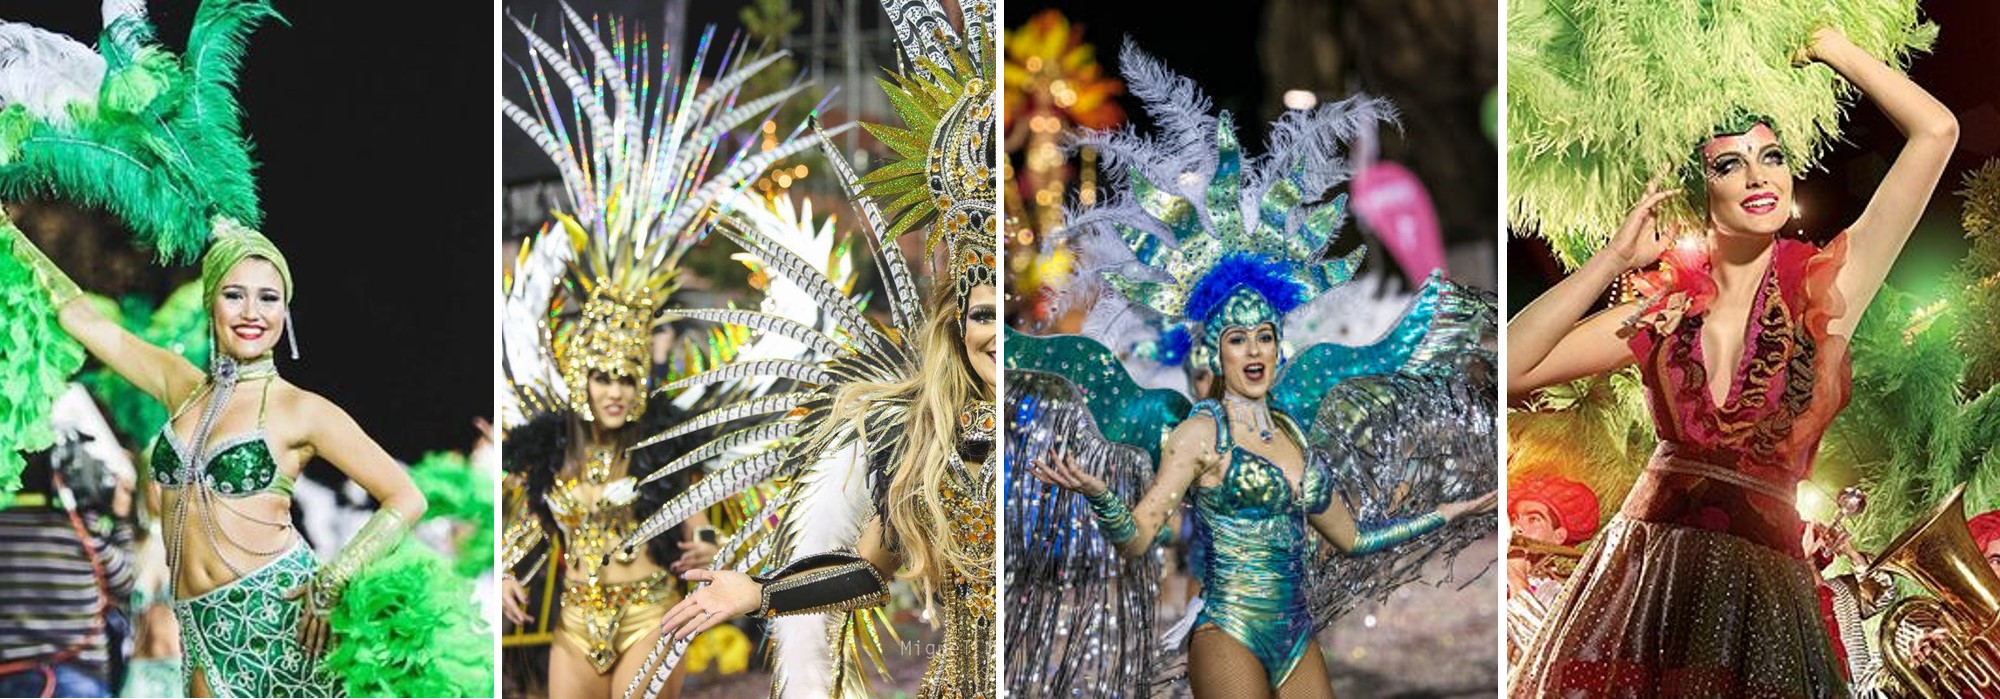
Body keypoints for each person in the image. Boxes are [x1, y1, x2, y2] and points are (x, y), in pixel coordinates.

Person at [1506, 27, 1957, 696]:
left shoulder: (1828, 289)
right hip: (1643, 585)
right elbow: (1512, 366)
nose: (1757, 176)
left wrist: (1833, 46)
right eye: (1730, 163)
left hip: (1762, 601)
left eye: (1771, 156)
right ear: (1701, 190)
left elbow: (1937, 132)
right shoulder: (1663, 309)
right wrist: (1612, 261)